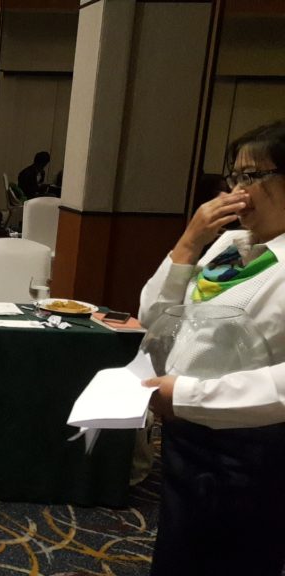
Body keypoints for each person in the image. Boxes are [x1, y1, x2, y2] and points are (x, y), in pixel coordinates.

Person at [139, 119, 285, 576]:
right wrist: (188, 243)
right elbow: (153, 315)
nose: (236, 192)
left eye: (252, 176)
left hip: (249, 447)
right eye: (234, 177)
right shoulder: (230, 244)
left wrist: (187, 395)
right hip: (188, 434)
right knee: (178, 555)